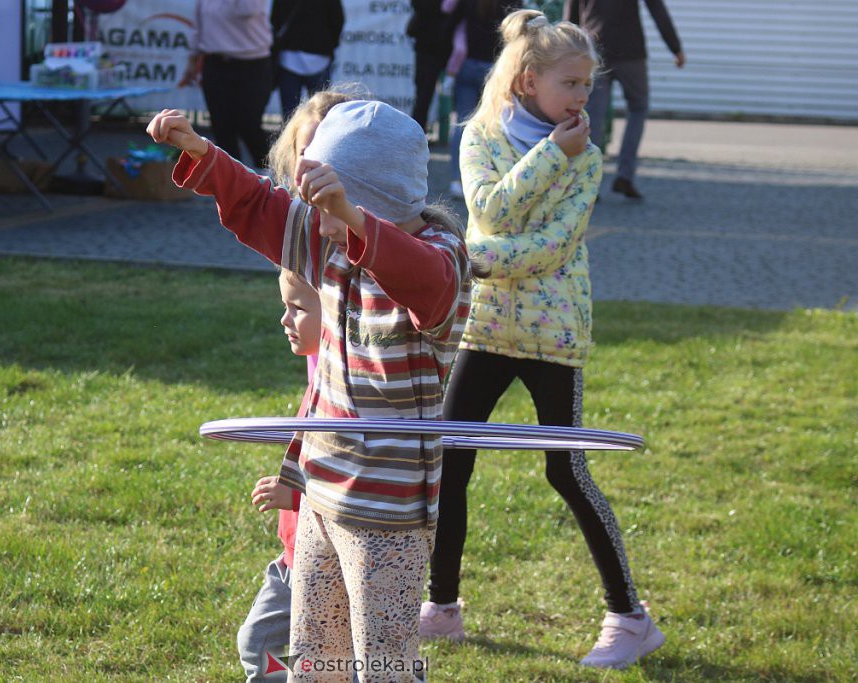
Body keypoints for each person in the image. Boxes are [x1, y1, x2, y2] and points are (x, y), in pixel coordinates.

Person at [148, 98, 470, 683]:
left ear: (372, 200)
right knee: (316, 659)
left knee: (383, 664)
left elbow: (424, 281)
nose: (312, 214)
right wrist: (202, 152)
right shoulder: (327, 243)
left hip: (386, 511)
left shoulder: (439, 259)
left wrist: (347, 215)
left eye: (327, 201)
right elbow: (258, 204)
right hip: (322, 491)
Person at [420, 9, 665, 671]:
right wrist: (549, 155)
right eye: (572, 83)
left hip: (555, 331)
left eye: (588, 83)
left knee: (567, 468)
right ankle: (441, 606)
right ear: (528, 81)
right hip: (487, 326)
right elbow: (491, 209)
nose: (584, 97)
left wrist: (479, 258)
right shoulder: (478, 135)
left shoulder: (587, 150)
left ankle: (630, 617)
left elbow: (555, 245)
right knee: (451, 461)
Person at [236, 88, 362, 683]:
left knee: (348, 653)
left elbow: (353, 444)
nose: (310, 169)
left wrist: (302, 490)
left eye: (325, 155)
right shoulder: (307, 257)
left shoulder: (353, 286)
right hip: (305, 533)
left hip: (344, 532)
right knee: (276, 647)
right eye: (302, 154)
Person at [238, 268, 320, 683]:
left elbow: (354, 479)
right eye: (284, 306)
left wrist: (298, 497)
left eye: (298, 308)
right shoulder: (317, 372)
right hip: (291, 558)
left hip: (325, 562)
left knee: (348, 658)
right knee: (255, 643)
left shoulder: (351, 395)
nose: (284, 320)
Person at [564, 0, 685, 199]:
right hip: (631, 50)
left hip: (594, 49)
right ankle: (625, 175)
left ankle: (588, 182)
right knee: (638, 108)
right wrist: (675, 47)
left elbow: (571, 18)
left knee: (593, 115)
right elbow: (657, 9)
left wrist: (570, 53)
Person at [178, 0, 273, 169]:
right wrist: (192, 63)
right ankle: (231, 185)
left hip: (253, 65)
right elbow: (198, 27)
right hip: (216, 65)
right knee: (222, 127)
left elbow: (248, 10)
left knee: (249, 125)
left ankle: (274, 180)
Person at [446, 0, 518, 198]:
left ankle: (457, 180)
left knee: (462, 122)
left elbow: (451, 24)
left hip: (468, 64)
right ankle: (492, 178)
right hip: (497, 68)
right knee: (496, 125)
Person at [270, 0, 345, 121]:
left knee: (290, 118)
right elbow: (338, 21)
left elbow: (275, 20)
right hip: (319, 57)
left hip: (289, 58)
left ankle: (291, 140)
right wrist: (329, 45)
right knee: (321, 116)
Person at [407, 0, 461, 132]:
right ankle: (417, 136)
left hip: (451, 48)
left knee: (461, 99)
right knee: (423, 97)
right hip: (429, 46)